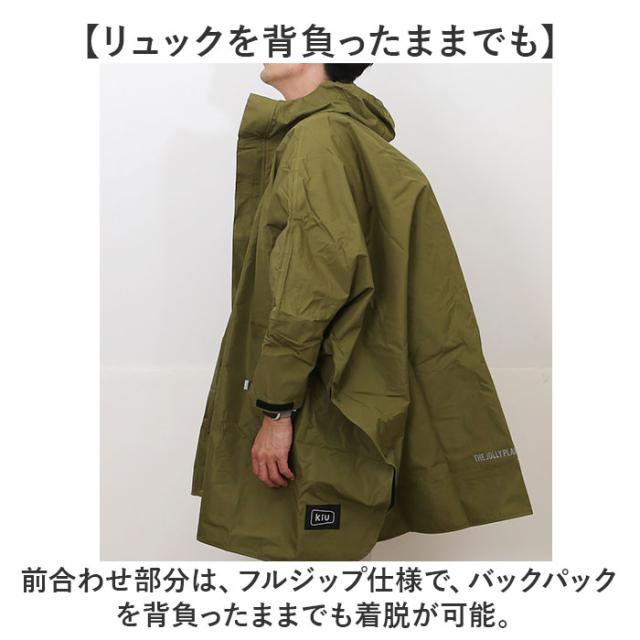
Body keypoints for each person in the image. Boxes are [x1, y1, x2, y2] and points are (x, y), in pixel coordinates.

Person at [191, 63, 533, 561]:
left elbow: (311, 286)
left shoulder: (317, 138)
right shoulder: (344, 134)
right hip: (348, 389)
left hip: (320, 400)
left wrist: (275, 411)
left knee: (309, 559)